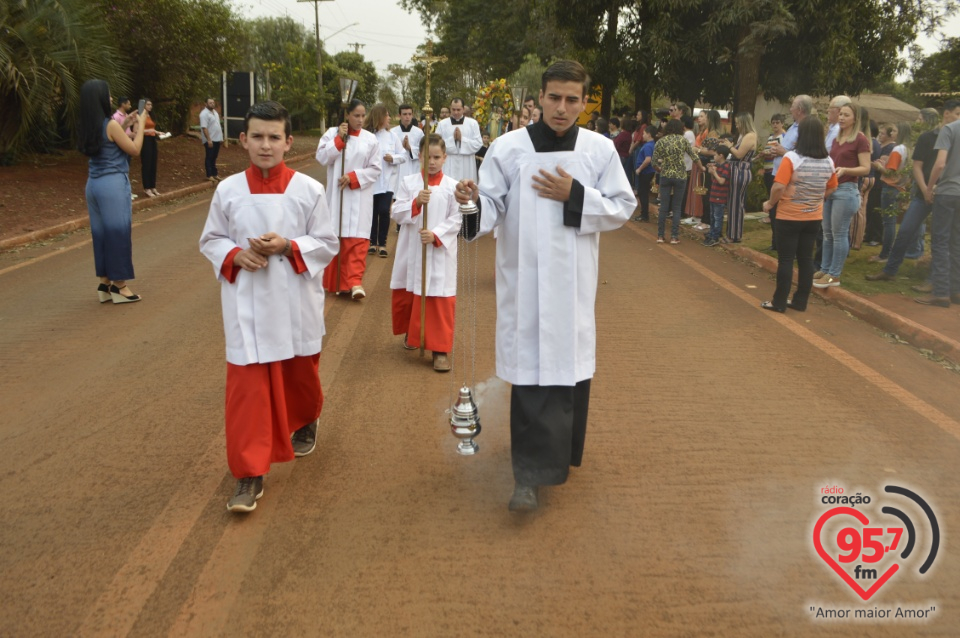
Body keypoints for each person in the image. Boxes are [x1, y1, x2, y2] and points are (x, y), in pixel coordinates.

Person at [453, 60, 636, 511]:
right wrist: (474, 201)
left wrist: (575, 194)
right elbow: (492, 204)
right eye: (554, 97)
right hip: (526, 279)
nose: (562, 108)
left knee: (568, 368)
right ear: (540, 96)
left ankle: (561, 455)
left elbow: (622, 205)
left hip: (573, 280)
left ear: (584, 101)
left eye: (573, 99)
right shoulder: (510, 147)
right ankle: (528, 477)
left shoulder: (598, 150)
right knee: (533, 370)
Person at [199, 101, 339, 512]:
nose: (265, 145)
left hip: (294, 301)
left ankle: (306, 418)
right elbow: (211, 240)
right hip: (247, 308)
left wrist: (288, 245)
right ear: (243, 141)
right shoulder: (228, 190)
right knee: (247, 394)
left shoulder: (308, 190)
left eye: (273, 137)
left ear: (288, 142)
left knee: (300, 380)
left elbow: (328, 243)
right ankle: (248, 473)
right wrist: (235, 256)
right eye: (257, 136)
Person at [867, 102, 960, 284]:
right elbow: (917, 166)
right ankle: (890, 270)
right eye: (957, 113)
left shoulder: (956, 136)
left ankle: (933, 281)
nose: (959, 118)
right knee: (906, 230)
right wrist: (925, 189)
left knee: (941, 239)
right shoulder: (927, 138)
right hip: (923, 193)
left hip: (947, 194)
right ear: (946, 114)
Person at [390, 135, 460, 372]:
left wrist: (437, 234)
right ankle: (414, 335)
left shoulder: (452, 186)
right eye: (427, 157)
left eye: (437, 157)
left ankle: (440, 350)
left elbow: (457, 218)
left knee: (438, 297)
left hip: (439, 252)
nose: (432, 162)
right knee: (413, 290)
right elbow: (396, 212)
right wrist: (416, 203)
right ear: (419, 156)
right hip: (412, 249)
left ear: (445, 158)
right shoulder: (409, 182)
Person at [760, 117, 838, 312]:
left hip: (789, 216)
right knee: (805, 260)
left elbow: (778, 186)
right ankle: (800, 301)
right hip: (813, 218)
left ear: (801, 135)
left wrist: (770, 204)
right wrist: (816, 199)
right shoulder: (828, 161)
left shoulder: (792, 158)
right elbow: (832, 187)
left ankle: (778, 302)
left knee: (786, 259)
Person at [78, 79, 145, 304]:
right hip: (112, 184)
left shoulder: (89, 125)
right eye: (107, 95)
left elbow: (109, 143)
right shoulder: (110, 125)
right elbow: (134, 149)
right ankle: (121, 287)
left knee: (102, 235)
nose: (110, 98)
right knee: (118, 234)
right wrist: (141, 123)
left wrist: (125, 123)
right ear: (99, 98)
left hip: (93, 185)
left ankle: (104, 283)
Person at [315, 99, 382, 299]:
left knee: (357, 239)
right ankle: (335, 282)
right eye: (356, 116)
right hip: (337, 197)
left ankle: (354, 282)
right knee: (336, 237)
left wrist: (353, 177)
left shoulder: (370, 139)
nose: (361, 120)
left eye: (363, 116)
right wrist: (338, 140)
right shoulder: (331, 134)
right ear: (347, 115)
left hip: (360, 196)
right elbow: (322, 158)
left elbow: (376, 168)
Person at [814, 102, 871, 288]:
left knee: (839, 234)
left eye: (846, 115)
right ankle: (825, 268)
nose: (842, 118)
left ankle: (834, 275)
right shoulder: (837, 137)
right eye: (841, 114)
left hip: (847, 191)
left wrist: (846, 169)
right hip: (831, 189)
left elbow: (866, 168)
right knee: (827, 233)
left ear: (855, 118)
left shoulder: (860, 139)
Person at [917, 103, 960, 307]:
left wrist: (929, 187)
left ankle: (941, 291)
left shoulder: (950, 129)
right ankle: (956, 290)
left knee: (940, 241)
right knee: (956, 241)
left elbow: (940, 163)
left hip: (948, 191)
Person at [654, 118, 703, 243]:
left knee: (664, 207)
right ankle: (674, 237)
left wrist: (660, 170)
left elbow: (654, 162)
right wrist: (702, 167)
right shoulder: (683, 140)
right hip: (680, 176)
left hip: (665, 175)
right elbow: (694, 156)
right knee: (676, 207)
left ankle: (660, 235)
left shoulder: (661, 141)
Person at [365, 104, 405, 257]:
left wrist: (393, 158)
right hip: (372, 181)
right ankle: (372, 242)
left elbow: (403, 156)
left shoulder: (392, 137)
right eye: (387, 115)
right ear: (380, 117)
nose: (389, 118)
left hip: (388, 181)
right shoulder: (368, 136)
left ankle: (382, 243)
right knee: (373, 212)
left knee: (384, 210)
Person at [871, 121, 912, 263]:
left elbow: (890, 172)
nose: (892, 133)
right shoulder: (908, 149)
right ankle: (887, 253)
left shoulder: (897, 149)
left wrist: (878, 166)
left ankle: (884, 254)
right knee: (892, 222)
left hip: (890, 187)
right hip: (900, 187)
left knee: (888, 222)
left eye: (894, 131)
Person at [725, 112, 758, 243]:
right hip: (737, 170)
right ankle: (733, 233)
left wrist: (729, 146)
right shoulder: (744, 136)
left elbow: (738, 154)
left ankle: (734, 235)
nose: (737, 126)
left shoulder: (750, 136)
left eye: (738, 123)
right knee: (734, 203)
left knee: (736, 204)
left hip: (739, 171)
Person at [436, 98, 483, 182]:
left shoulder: (472, 123)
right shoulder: (442, 124)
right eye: (453, 109)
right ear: (450, 108)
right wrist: (452, 140)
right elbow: (437, 144)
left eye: (458, 109)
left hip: (467, 163)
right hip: (448, 162)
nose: (456, 112)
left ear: (463, 109)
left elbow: (478, 144)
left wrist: (462, 139)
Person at [761, 114, 785, 246]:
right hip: (768, 171)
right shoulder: (771, 137)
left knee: (776, 206)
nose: (775, 125)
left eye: (777, 122)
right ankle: (774, 240)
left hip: (777, 173)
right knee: (772, 207)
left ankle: (777, 240)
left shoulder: (784, 137)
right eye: (773, 123)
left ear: (782, 123)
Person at [703, 141, 732, 246]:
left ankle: (715, 237)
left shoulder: (726, 166)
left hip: (720, 197)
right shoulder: (719, 165)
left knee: (717, 218)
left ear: (721, 156)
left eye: (715, 155)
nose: (714, 157)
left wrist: (714, 172)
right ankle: (712, 234)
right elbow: (715, 180)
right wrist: (712, 172)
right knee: (712, 217)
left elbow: (721, 181)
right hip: (714, 196)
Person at [392, 103, 425, 186]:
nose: (407, 117)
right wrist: (400, 148)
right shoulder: (393, 132)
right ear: (399, 115)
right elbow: (390, 151)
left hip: (413, 167)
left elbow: (424, 150)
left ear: (412, 115)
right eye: (405, 114)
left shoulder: (419, 132)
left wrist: (410, 148)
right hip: (398, 168)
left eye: (409, 114)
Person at [140, 99, 166, 198]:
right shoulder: (140, 115)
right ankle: (146, 187)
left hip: (152, 139)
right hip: (145, 140)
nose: (150, 106)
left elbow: (152, 128)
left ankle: (152, 186)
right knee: (146, 163)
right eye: (148, 104)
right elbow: (139, 130)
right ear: (143, 105)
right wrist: (150, 130)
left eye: (151, 104)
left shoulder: (150, 115)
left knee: (153, 163)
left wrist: (158, 132)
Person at [633, 126, 656, 222]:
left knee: (643, 193)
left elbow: (648, 159)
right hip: (647, 171)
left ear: (649, 134)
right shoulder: (651, 144)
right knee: (643, 193)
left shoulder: (648, 146)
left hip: (645, 172)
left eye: (644, 133)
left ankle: (644, 215)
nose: (643, 135)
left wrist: (639, 169)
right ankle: (644, 214)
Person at [200, 97, 224, 182]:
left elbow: (217, 126)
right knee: (209, 157)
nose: (212, 104)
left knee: (214, 157)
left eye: (213, 102)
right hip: (210, 139)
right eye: (210, 103)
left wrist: (221, 138)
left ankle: (215, 174)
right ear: (205, 104)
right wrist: (209, 140)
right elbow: (204, 128)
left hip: (217, 139)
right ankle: (209, 175)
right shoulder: (204, 114)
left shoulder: (215, 113)